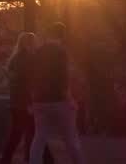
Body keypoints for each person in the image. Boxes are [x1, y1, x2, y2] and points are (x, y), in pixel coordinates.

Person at [29, 23, 86, 164]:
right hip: (59, 100)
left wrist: (32, 98)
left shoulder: (38, 52)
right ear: (62, 35)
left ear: (48, 34)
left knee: (39, 138)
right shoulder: (61, 52)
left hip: (40, 100)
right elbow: (63, 76)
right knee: (70, 138)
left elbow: (31, 75)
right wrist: (70, 98)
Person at [0, 32, 54, 164]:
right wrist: (30, 102)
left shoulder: (16, 59)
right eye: (34, 42)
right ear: (29, 44)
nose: (36, 45)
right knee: (34, 132)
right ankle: (46, 160)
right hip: (25, 103)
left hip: (16, 103)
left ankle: (7, 160)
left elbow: (16, 82)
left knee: (20, 133)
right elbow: (27, 82)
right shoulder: (27, 59)